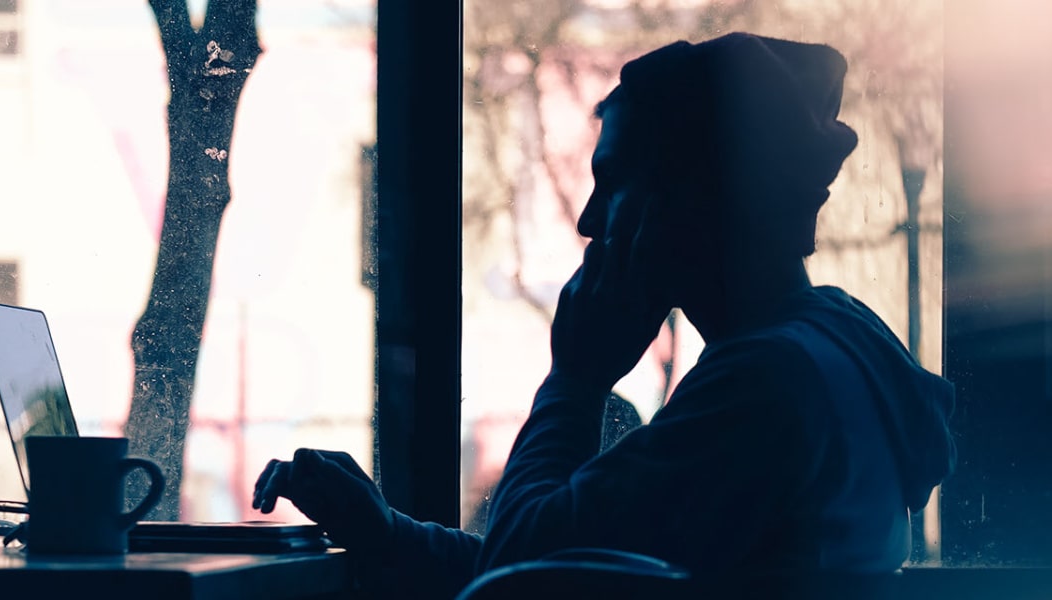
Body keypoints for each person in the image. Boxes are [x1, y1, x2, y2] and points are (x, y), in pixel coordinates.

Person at [253, 32, 955, 599]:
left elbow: (522, 579)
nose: (590, 219)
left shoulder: (764, 384)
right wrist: (389, 534)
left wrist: (576, 380)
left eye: (615, 181)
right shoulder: (828, 347)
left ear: (698, 196)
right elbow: (568, 551)